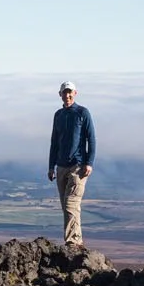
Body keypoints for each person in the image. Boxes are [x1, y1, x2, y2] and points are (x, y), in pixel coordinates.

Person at [47, 81, 96, 247]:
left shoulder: (83, 113)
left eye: (70, 92)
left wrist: (89, 162)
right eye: (64, 92)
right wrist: (51, 166)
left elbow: (92, 138)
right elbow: (54, 141)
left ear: (75, 93)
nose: (67, 95)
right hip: (61, 166)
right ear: (59, 94)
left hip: (78, 166)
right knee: (67, 207)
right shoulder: (58, 115)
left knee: (71, 204)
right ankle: (77, 239)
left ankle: (72, 242)